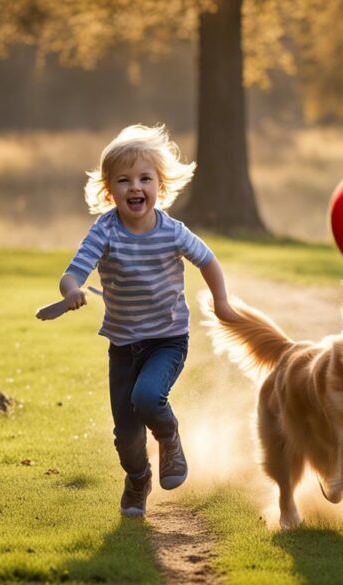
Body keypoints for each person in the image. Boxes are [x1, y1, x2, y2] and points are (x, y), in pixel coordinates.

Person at [57, 124, 239, 517]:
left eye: (144, 179)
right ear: (109, 191)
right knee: (125, 436)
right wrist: (72, 290)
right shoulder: (104, 231)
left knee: (147, 398)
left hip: (167, 341)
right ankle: (138, 479)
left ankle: (169, 437)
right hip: (123, 347)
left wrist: (220, 301)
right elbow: (74, 272)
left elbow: (208, 260)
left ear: (160, 185)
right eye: (123, 181)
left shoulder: (173, 231)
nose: (134, 187)